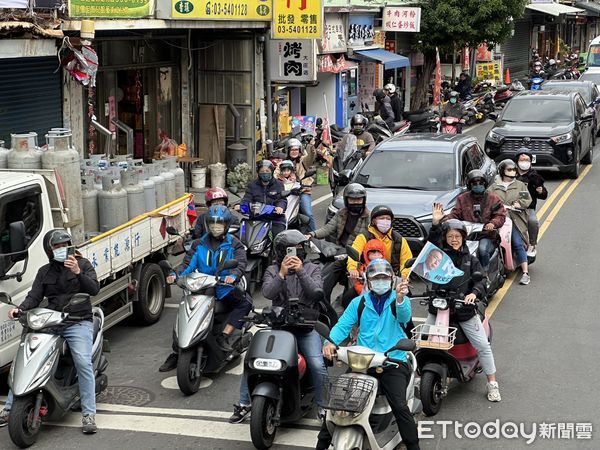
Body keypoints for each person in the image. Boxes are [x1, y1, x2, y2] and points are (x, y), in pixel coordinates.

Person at [1, 229, 100, 434]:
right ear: (49, 249)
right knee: (25, 357)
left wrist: (78, 273)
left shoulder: (83, 265)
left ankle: (89, 414)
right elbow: (34, 296)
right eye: (56, 246)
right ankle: (10, 408)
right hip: (52, 323)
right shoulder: (44, 271)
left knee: (83, 361)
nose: (61, 249)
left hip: (77, 321)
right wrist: (21, 310)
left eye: (64, 245)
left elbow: (94, 289)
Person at [317, 259, 420, 450]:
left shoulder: (398, 300)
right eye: (375, 278)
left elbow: (405, 318)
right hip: (362, 361)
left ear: (391, 280)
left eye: (384, 277)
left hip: (392, 360)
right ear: (369, 281)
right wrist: (329, 343)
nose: (380, 281)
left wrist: (400, 298)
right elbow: (342, 326)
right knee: (339, 405)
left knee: (400, 406)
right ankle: (321, 445)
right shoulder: (359, 302)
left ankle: (414, 446)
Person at [229, 230, 328, 423]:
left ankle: (324, 406)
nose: (298, 253)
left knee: (317, 365)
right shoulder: (273, 270)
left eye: (300, 248)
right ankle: (244, 404)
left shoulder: (312, 268)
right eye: (293, 249)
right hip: (280, 327)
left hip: (305, 327)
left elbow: (316, 293)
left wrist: (300, 272)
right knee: (252, 361)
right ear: (282, 251)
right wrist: (282, 274)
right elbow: (267, 292)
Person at [159, 206, 252, 372]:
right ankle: (177, 350)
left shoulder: (235, 244)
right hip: (201, 287)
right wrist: (175, 275)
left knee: (245, 303)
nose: (215, 226)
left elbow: (240, 264)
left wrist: (233, 276)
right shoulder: (199, 244)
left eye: (219, 223)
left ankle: (225, 335)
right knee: (184, 310)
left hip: (224, 287)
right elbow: (187, 264)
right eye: (212, 223)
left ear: (226, 225)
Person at [425, 219, 501, 402]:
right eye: (450, 236)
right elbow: (429, 246)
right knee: (421, 342)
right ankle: (415, 379)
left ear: (463, 238)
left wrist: (474, 293)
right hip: (439, 308)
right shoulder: (439, 256)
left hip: (463, 310)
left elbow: (481, 280)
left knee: (483, 345)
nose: (454, 239)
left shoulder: (470, 260)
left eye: (457, 236)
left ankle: (492, 384)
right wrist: (435, 225)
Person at [308, 183, 370, 303]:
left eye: (359, 199)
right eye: (352, 199)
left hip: (357, 256)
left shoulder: (369, 217)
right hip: (339, 252)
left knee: (352, 286)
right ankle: (322, 302)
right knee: (322, 272)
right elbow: (328, 228)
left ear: (364, 200)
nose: (356, 202)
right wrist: (311, 234)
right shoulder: (341, 213)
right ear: (347, 200)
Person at [444, 169, 506, 271]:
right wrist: (446, 220)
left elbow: (500, 215)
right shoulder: (462, 199)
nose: (478, 185)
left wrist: (492, 223)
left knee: (482, 250)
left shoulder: (493, 199)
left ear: (485, 184)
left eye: (480, 183)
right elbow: (455, 213)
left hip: (486, 235)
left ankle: (484, 274)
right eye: (474, 183)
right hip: (467, 236)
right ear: (469, 185)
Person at [487, 159, 532, 285]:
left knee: (517, 242)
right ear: (502, 171)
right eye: (509, 169)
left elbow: (526, 199)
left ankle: (525, 272)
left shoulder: (520, 185)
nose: (512, 172)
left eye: (513, 169)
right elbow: (486, 200)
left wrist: (519, 204)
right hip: (497, 219)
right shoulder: (493, 187)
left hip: (514, 219)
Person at [348, 205, 413, 286]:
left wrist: (404, 276)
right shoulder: (363, 237)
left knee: (405, 296)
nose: (385, 221)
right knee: (349, 296)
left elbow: (406, 261)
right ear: (373, 221)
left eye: (388, 219)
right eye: (381, 218)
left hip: (392, 279)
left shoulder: (399, 240)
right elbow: (354, 253)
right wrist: (353, 269)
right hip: (368, 278)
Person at [235, 160, 287, 236]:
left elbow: (282, 199)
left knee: (278, 239)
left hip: (275, 219)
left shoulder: (279, 184)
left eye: (267, 171)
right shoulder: (252, 185)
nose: (265, 173)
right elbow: (247, 198)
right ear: (258, 172)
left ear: (272, 171)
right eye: (262, 171)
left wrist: (280, 207)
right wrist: (240, 205)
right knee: (243, 237)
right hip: (256, 218)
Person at [515, 148, 547, 257]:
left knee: (533, 221)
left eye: (526, 160)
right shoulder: (511, 173)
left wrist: (541, 191)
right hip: (510, 206)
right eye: (522, 160)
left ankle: (532, 244)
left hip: (528, 209)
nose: (524, 162)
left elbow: (544, 194)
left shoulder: (535, 177)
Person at [285, 137, 318, 232]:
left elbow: (310, 157)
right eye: (292, 150)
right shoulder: (284, 163)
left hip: (302, 192)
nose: (294, 152)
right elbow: (276, 174)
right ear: (288, 151)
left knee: (307, 213)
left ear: (300, 150)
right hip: (287, 193)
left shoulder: (303, 160)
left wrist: (312, 148)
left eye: (296, 150)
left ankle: (314, 235)